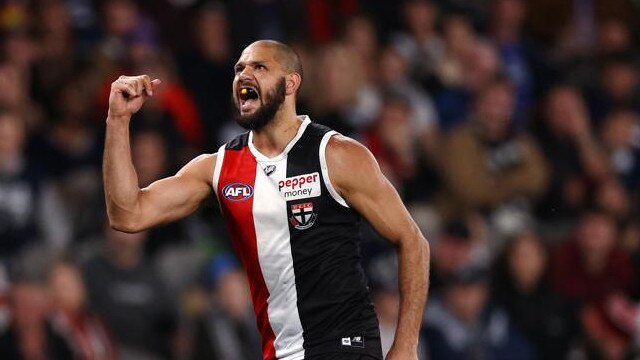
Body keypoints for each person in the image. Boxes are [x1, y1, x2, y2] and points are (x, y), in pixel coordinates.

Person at [102, 40, 430, 360]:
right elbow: (128, 214)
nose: (244, 75)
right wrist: (118, 120)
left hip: (343, 345)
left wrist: (405, 346)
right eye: (239, 68)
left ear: (291, 83)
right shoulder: (220, 168)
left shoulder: (336, 155)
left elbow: (413, 241)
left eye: (259, 67)